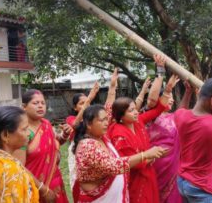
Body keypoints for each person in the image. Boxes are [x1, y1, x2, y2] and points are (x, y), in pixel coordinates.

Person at [72, 104, 167, 202]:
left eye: (106, 119)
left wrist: (112, 89)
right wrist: (145, 155)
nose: (106, 123)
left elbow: (110, 106)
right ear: (88, 124)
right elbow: (113, 166)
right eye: (102, 120)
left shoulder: (101, 138)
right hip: (99, 199)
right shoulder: (87, 146)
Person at [107, 75, 180, 203]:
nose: (136, 112)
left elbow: (158, 109)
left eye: (135, 108)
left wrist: (168, 89)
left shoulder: (138, 121)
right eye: (131, 111)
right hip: (133, 178)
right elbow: (126, 162)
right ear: (121, 116)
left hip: (148, 173)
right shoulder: (118, 134)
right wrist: (151, 155)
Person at [146, 54, 193, 203]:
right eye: (168, 95)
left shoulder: (173, 117)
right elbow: (152, 98)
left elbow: (182, 111)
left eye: (172, 96)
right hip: (157, 164)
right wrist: (160, 70)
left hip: (174, 167)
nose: (171, 99)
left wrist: (188, 92)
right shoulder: (151, 115)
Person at [14, 89, 70, 203]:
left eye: (43, 103)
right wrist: (42, 189)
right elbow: (19, 167)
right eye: (35, 103)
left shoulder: (46, 124)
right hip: (35, 187)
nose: (40, 106)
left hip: (55, 182)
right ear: (24, 107)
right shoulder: (23, 132)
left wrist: (64, 135)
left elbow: (55, 144)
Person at [66, 82, 100, 189]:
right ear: (75, 108)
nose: (86, 105)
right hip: (76, 153)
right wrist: (89, 98)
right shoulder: (70, 119)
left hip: (93, 153)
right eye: (82, 103)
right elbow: (75, 124)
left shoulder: (95, 120)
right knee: (78, 182)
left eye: (88, 102)